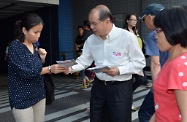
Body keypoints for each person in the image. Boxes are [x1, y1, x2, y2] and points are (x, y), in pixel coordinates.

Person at [65, 4, 145, 122]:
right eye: (90, 23)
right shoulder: (91, 40)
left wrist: (119, 70)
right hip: (99, 87)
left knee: (120, 119)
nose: (91, 27)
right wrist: (70, 68)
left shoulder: (126, 37)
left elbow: (140, 62)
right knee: (96, 118)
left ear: (107, 21)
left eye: (94, 23)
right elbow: (83, 61)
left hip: (121, 88)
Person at [8, 13, 66, 122]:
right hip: (21, 98)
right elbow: (25, 72)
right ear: (24, 30)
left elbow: (35, 66)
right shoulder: (15, 47)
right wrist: (49, 69)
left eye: (40, 32)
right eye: (35, 32)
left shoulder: (34, 45)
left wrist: (42, 58)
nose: (38, 35)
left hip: (39, 94)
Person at [149, 6, 187, 122]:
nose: (155, 36)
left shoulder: (178, 65)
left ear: (173, 29)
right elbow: (165, 104)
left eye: (158, 30)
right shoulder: (173, 61)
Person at [138, 3, 170, 122]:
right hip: (179, 80)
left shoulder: (155, 35)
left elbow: (156, 64)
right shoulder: (177, 30)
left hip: (164, 82)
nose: (144, 23)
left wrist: (156, 89)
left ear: (150, 17)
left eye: (144, 19)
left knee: (145, 114)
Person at [123, 13, 150, 111]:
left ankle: (126, 95)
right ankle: (128, 102)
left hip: (138, 60)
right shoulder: (124, 32)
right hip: (129, 61)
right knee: (133, 81)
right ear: (127, 20)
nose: (134, 22)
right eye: (132, 20)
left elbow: (140, 45)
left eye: (135, 20)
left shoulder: (136, 32)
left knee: (140, 80)